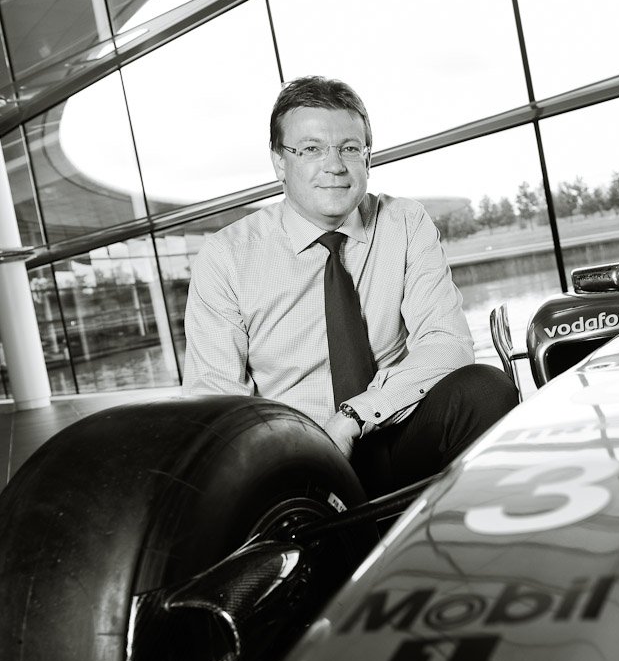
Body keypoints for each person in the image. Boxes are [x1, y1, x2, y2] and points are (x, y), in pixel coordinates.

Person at [183, 75, 518, 497]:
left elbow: (446, 343)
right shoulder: (227, 255)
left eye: (349, 148)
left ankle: (476, 542)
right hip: (301, 462)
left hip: (395, 428)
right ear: (278, 162)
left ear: (367, 158)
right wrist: (303, 450)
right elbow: (219, 402)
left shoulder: (404, 223)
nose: (334, 165)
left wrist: (354, 417)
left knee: (485, 388)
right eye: (311, 149)